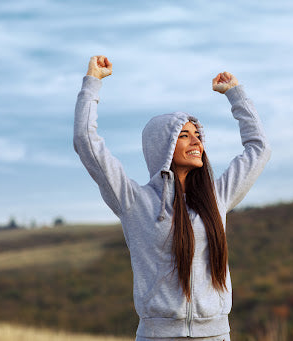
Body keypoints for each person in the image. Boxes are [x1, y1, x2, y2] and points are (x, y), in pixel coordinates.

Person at [74, 55, 271, 341]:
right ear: (162, 147)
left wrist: (236, 96)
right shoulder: (134, 201)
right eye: (184, 136)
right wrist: (92, 84)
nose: (196, 142)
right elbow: (86, 142)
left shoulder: (217, 197)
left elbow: (259, 149)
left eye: (198, 135)